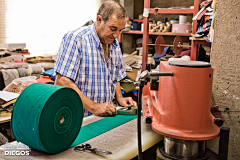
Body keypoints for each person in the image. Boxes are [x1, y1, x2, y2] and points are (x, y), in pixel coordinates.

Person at [54, 1, 137, 117]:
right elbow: (62, 81)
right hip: (77, 119)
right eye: (113, 28)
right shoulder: (76, 39)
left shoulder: (114, 44)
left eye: (120, 30)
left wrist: (120, 98)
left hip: (104, 117)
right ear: (99, 20)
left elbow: (115, 76)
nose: (116, 35)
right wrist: (94, 107)